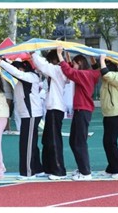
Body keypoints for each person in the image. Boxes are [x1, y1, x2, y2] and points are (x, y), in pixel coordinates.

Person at [0, 53, 44, 179]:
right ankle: (37, 168)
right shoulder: (25, 78)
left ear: (22, 68)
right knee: (30, 142)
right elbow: (14, 72)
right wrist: (2, 63)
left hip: (31, 114)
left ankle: (28, 172)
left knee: (27, 144)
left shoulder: (30, 77)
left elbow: (16, 72)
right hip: (28, 114)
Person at [57, 48, 104, 180]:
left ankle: (85, 172)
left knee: (79, 142)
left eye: (74, 63)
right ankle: (82, 168)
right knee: (74, 141)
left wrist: (60, 55)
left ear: (80, 64)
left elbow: (69, 72)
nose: (73, 66)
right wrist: (92, 58)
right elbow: (93, 69)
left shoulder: (84, 75)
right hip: (81, 110)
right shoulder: (91, 74)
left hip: (83, 110)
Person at [31, 50, 69, 180]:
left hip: (55, 107)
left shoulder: (57, 69)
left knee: (54, 140)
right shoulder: (57, 70)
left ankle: (59, 170)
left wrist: (34, 53)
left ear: (54, 60)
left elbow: (42, 65)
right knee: (47, 140)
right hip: (52, 108)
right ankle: (49, 167)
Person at [99, 58, 118, 178]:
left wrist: (102, 58)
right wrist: (94, 59)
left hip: (117, 114)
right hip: (109, 114)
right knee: (107, 142)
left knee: (111, 142)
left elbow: (105, 73)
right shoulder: (108, 77)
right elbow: (100, 70)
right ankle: (112, 167)